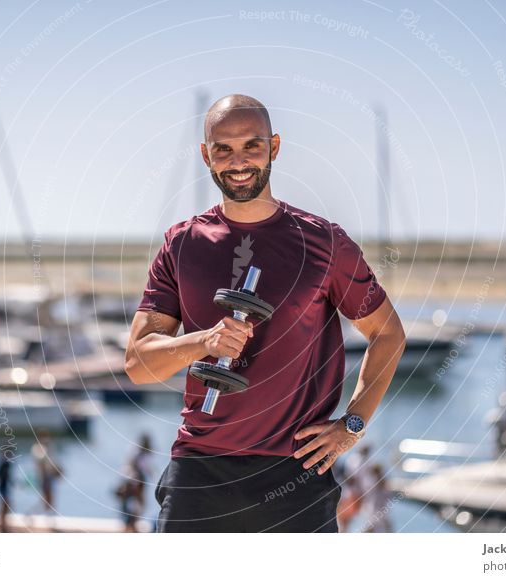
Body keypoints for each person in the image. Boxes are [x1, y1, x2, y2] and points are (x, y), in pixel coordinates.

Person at [125, 94, 406, 532]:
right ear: (206, 156)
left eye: (251, 146)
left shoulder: (325, 243)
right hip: (199, 472)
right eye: (223, 149)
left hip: (294, 475)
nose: (238, 161)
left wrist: (352, 423)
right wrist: (202, 341)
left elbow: (388, 334)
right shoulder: (181, 244)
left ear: (274, 147)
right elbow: (138, 365)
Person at [114, 434, 154, 532]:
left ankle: (131, 528)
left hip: (133, 483)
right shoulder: (139, 456)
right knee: (133, 513)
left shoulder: (134, 452)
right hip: (135, 484)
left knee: (130, 514)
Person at [31, 430, 62, 515]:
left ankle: (49, 517)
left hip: (49, 477)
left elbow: (52, 463)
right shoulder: (37, 448)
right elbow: (41, 464)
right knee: (47, 500)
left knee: (50, 500)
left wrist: (57, 471)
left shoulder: (48, 448)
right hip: (44, 477)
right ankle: (32, 514)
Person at [360, 463, 394, 533]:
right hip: (372, 507)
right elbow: (367, 491)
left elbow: (388, 495)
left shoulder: (383, 481)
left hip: (381, 507)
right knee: (371, 526)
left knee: (385, 525)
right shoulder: (370, 481)